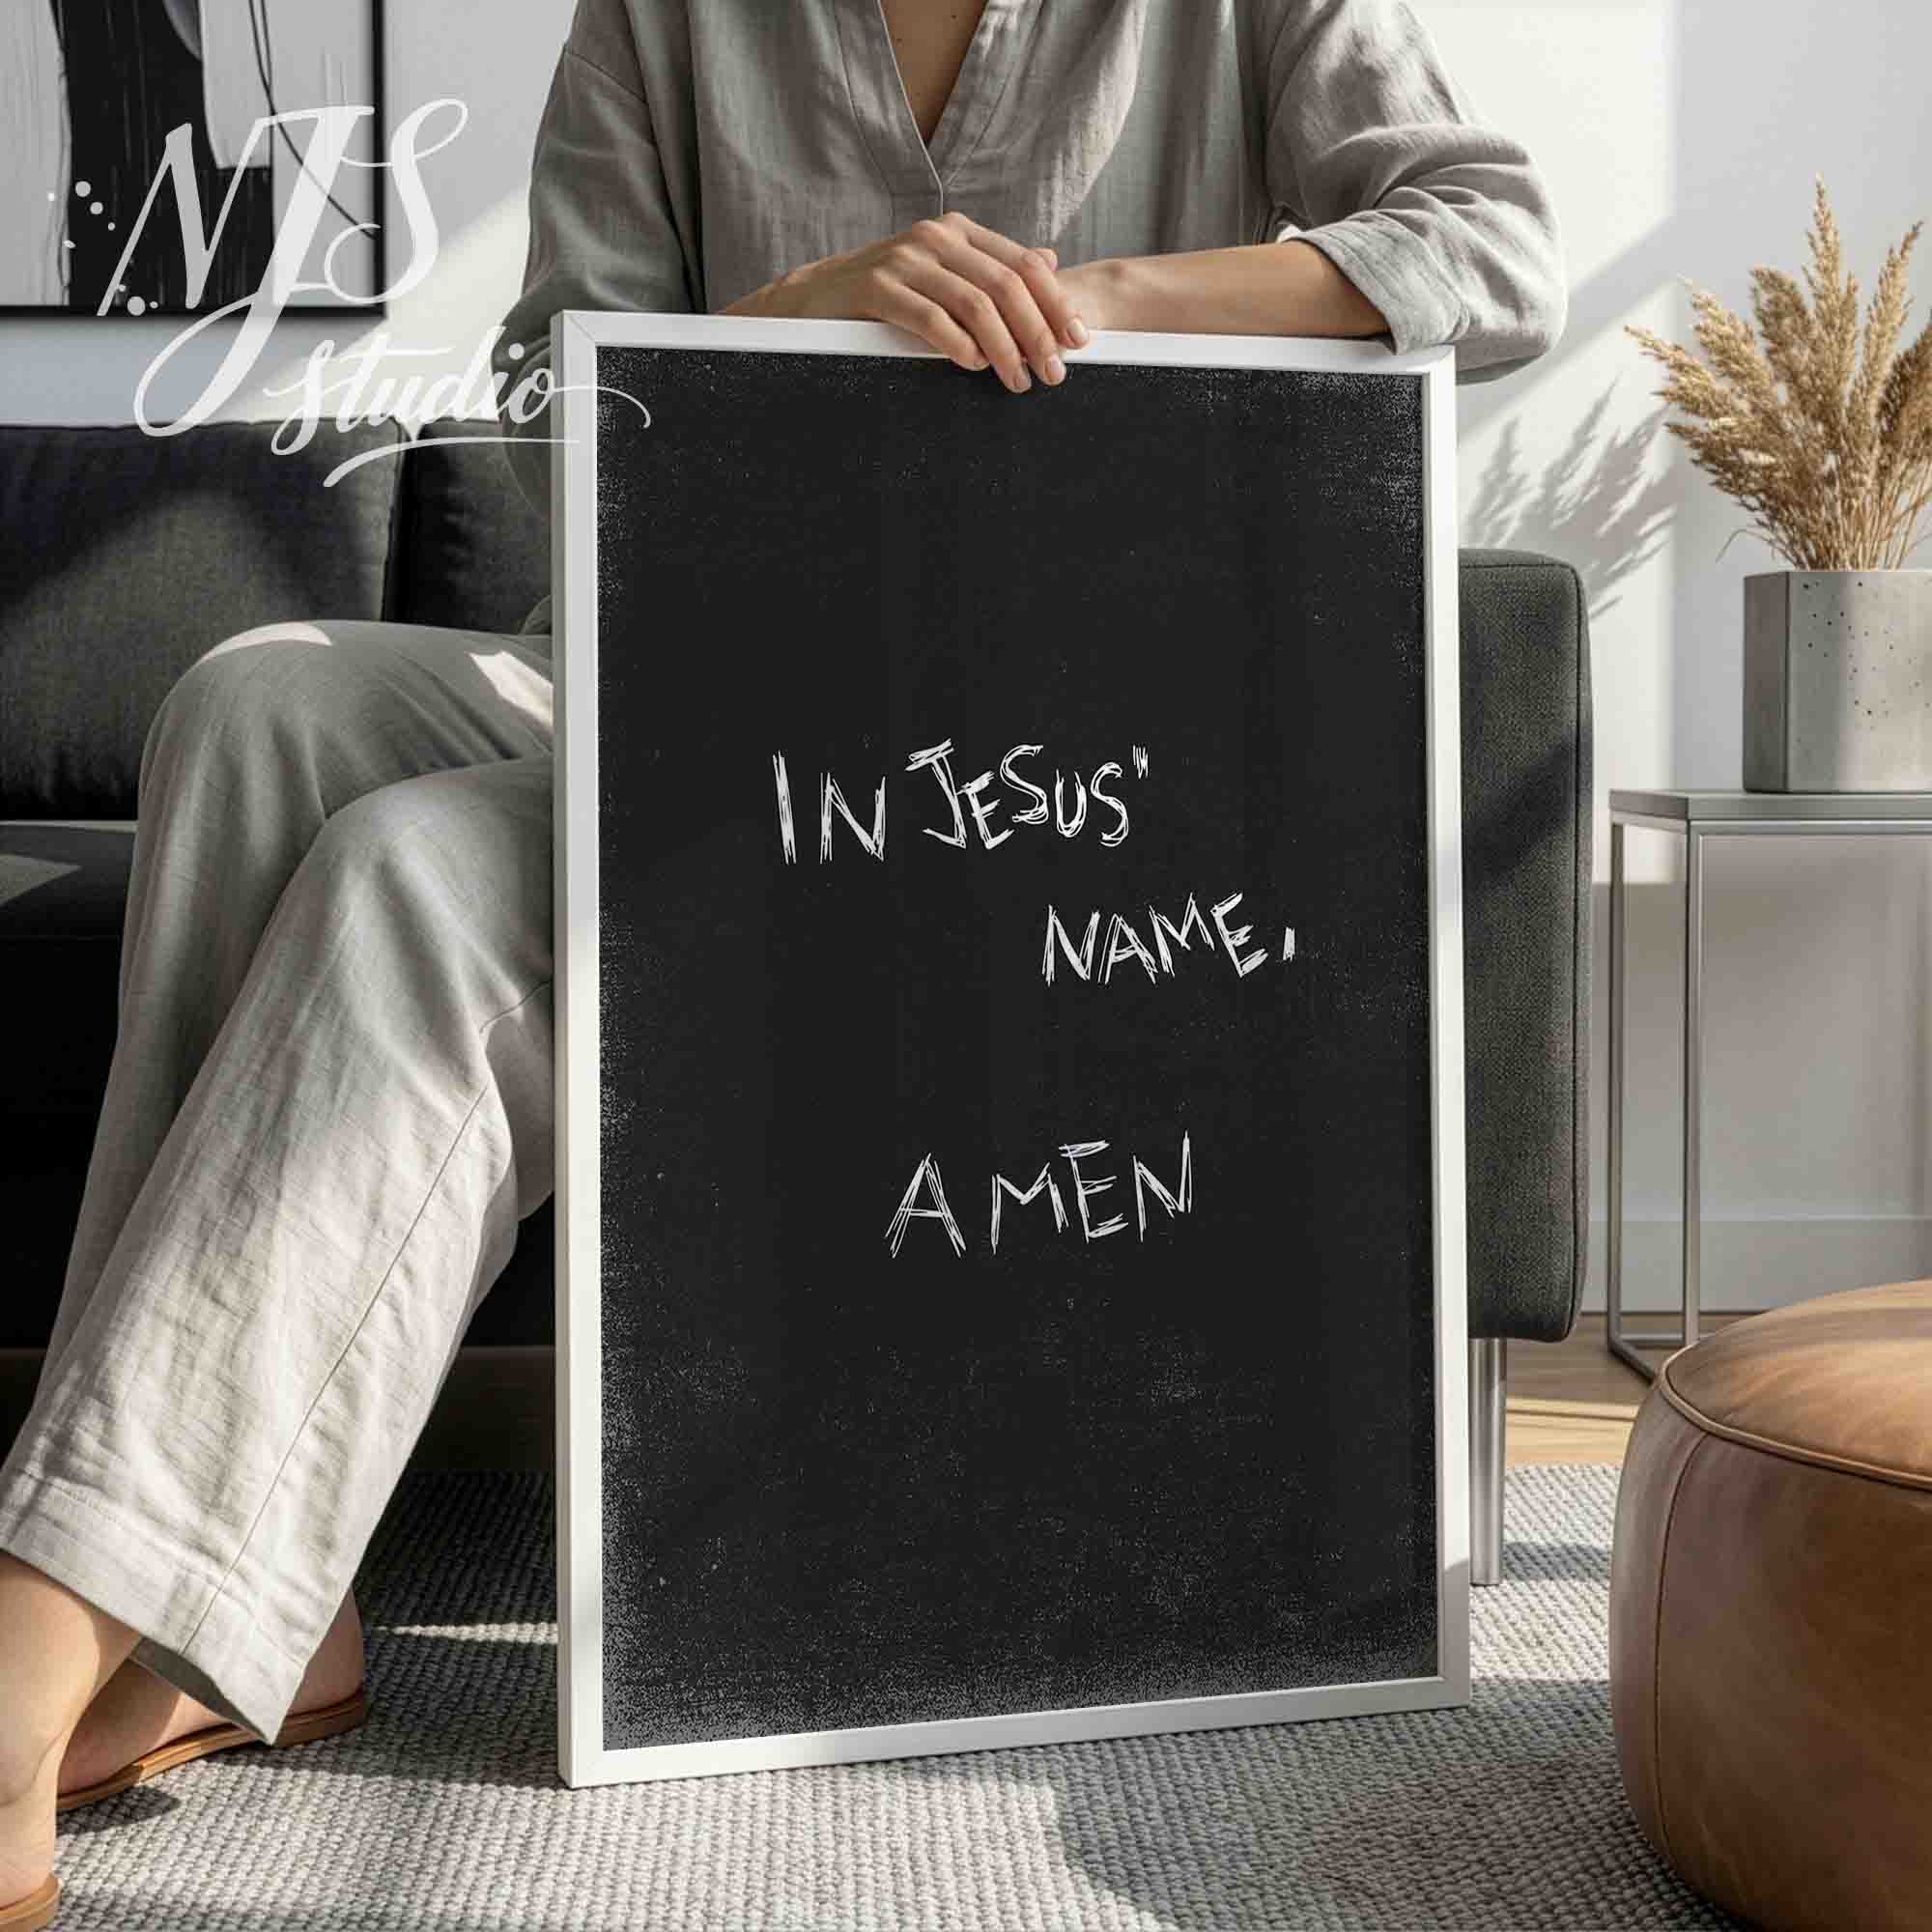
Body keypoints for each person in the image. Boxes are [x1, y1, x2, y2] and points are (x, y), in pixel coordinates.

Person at [0, 0, 1565, 1921]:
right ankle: (257, 1606)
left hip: (1019, 764)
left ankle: (51, 1637)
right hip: (684, 678)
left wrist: (1099, 294)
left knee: (429, 872)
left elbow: (1495, 249)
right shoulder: (662, 17)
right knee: (257, 705)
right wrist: (796, 309)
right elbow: (555, 394)